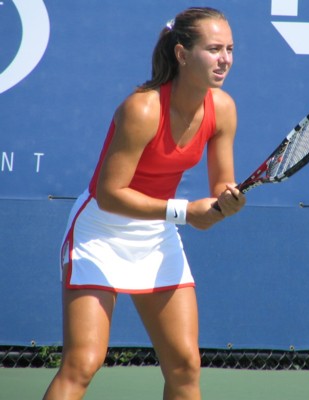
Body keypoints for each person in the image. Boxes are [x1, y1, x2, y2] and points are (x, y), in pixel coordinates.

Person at [43, 6, 245, 400]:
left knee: (185, 367)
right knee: (82, 363)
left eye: (230, 49)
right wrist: (186, 212)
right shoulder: (143, 108)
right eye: (214, 49)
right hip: (100, 231)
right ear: (183, 54)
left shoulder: (223, 108)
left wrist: (227, 200)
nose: (225, 60)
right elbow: (109, 194)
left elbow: (221, 182)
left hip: (156, 235)